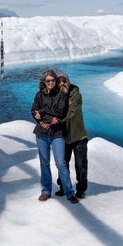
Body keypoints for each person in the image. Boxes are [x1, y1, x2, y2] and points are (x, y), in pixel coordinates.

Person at [31, 69, 79, 204]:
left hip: (57, 133)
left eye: (53, 80)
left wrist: (43, 112)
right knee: (44, 163)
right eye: (48, 81)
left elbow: (60, 112)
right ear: (44, 82)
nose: (51, 82)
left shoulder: (61, 95)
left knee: (61, 163)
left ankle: (69, 193)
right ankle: (46, 191)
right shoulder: (39, 95)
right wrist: (40, 121)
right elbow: (33, 110)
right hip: (42, 133)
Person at [55, 72, 89, 199]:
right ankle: (63, 187)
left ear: (69, 82)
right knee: (62, 164)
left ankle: (81, 189)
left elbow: (70, 112)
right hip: (63, 138)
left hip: (78, 137)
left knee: (80, 165)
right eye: (59, 81)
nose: (61, 83)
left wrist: (55, 120)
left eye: (64, 81)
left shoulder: (76, 95)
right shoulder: (56, 96)